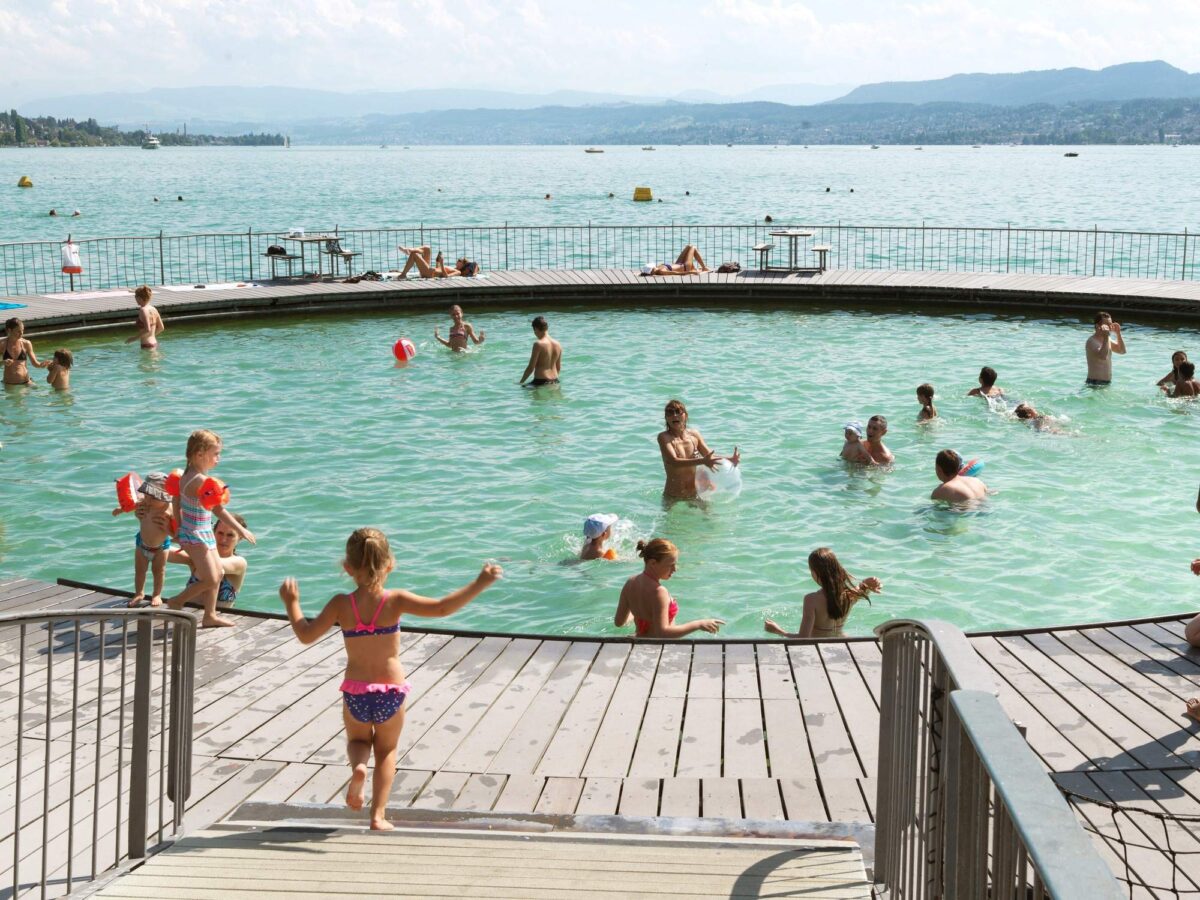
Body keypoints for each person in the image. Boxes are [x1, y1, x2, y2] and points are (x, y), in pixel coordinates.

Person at [278, 527, 502, 829]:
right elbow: (442, 608)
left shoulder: (341, 604)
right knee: (386, 751)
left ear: (347, 568)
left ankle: (358, 767)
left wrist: (292, 602)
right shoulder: (394, 600)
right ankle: (378, 815)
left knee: (358, 740)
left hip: (356, 690)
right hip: (390, 691)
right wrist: (480, 583)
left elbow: (305, 635)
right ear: (390, 564)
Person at [166, 429, 256, 627]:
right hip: (197, 535)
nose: (218, 458)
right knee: (213, 576)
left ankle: (209, 615)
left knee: (217, 574)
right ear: (200, 454)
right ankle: (178, 600)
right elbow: (218, 510)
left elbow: (176, 499)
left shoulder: (186, 475)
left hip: (202, 532)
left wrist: (179, 527)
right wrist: (241, 530)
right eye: (215, 454)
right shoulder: (197, 481)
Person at [764, 547, 883, 639]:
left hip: (819, 647)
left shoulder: (811, 600)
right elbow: (864, 588)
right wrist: (870, 582)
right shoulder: (850, 595)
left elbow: (803, 639)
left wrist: (778, 631)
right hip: (842, 642)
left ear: (816, 573)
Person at [614, 538, 722, 638]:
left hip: (638, 642)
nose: (675, 569)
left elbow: (619, 622)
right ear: (653, 563)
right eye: (671, 565)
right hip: (659, 649)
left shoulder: (630, 583)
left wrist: (638, 612)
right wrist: (698, 624)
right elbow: (662, 633)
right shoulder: (659, 592)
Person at [112, 472, 175, 607]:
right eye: (146, 494)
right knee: (140, 571)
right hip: (142, 544)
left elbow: (178, 527)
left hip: (161, 547)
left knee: (159, 571)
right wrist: (120, 509)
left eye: (153, 497)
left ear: (164, 497)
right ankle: (139, 593)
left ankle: (157, 594)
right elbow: (131, 505)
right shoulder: (143, 503)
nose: (148, 499)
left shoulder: (169, 509)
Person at [658, 399, 740, 500]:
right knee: (668, 516)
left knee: (710, 516)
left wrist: (730, 459)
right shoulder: (664, 437)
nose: (674, 415)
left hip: (695, 493)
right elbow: (674, 461)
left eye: (678, 412)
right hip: (674, 494)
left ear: (686, 416)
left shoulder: (694, 435)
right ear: (666, 418)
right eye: (670, 412)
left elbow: (709, 456)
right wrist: (702, 461)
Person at [169, 513, 250, 606]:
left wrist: (184, 542)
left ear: (240, 538)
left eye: (230, 535)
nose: (223, 539)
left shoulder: (239, 562)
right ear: (213, 534)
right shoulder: (198, 557)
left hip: (221, 616)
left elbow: (214, 565)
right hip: (188, 614)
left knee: (211, 570)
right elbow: (164, 552)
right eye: (220, 533)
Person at [2, 317, 48, 386]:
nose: (21, 334)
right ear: (9, 330)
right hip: (9, 384)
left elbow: (35, 363)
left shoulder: (26, 343)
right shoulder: (2, 344)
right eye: (18, 331)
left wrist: (41, 365)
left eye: (22, 330)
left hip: (26, 382)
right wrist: (3, 362)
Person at [519, 315, 562, 387]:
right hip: (555, 381)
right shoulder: (558, 344)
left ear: (536, 329)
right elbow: (558, 367)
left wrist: (521, 382)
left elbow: (530, 368)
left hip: (540, 382)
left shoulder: (538, 344)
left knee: (523, 388)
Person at [1085, 311, 1126, 386]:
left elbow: (1122, 351)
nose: (1110, 327)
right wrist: (1106, 337)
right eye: (1107, 325)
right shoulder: (1091, 341)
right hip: (1094, 383)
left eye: (1110, 324)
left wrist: (1118, 333)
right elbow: (1103, 356)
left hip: (1106, 383)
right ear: (1098, 326)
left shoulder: (1107, 340)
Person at [397, 246, 479, 279]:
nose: (457, 261)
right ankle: (409, 250)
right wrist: (438, 262)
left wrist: (442, 263)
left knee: (415, 255)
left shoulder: (458, 272)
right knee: (427, 248)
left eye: (459, 261)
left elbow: (446, 276)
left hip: (429, 274)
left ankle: (403, 274)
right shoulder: (454, 268)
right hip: (430, 270)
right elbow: (439, 270)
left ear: (463, 265)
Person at [641, 245, 710, 276]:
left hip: (679, 263)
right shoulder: (661, 271)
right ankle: (704, 268)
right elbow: (676, 273)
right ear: (652, 269)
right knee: (693, 247)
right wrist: (691, 272)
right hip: (685, 267)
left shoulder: (658, 267)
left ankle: (697, 267)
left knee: (688, 246)